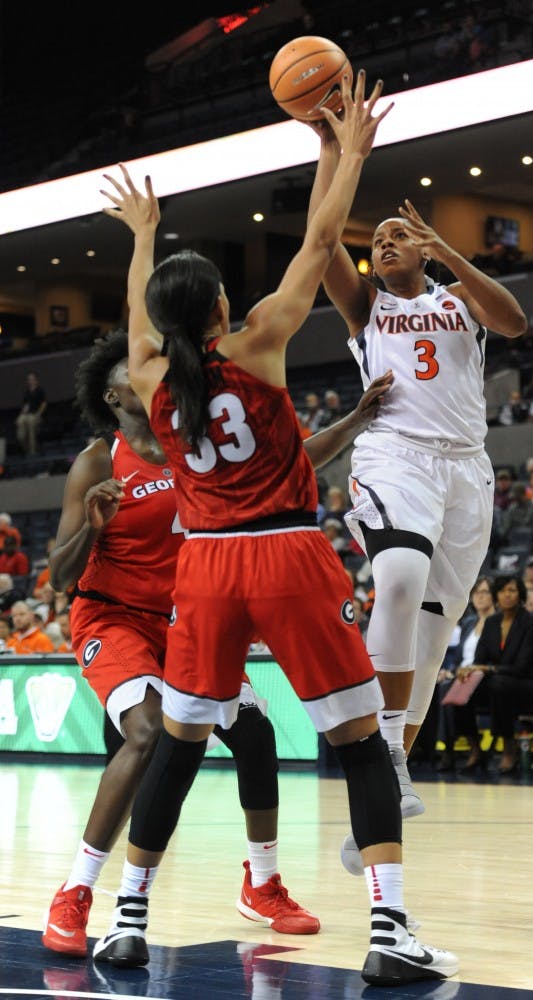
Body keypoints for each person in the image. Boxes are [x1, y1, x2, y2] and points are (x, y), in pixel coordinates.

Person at [94, 82, 458, 985]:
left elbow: (140, 312)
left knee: (178, 746)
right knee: (359, 738)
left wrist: (140, 237)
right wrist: (348, 152)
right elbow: (322, 243)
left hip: (206, 568)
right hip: (287, 552)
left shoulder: (146, 375)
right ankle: (389, 930)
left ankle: (128, 917)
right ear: (220, 311)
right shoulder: (259, 344)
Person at [42, 322, 396, 958]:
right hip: (114, 618)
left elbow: (290, 463)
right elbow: (62, 577)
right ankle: (75, 891)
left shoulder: (191, 440)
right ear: (115, 394)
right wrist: (92, 528)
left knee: (256, 732)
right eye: (135, 368)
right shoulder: (98, 462)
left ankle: (262, 885)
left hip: (186, 620)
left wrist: (355, 421)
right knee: (147, 733)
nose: (150, 371)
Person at [306, 110, 527, 832]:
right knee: (396, 582)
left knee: (434, 628)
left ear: (426, 249)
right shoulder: (364, 306)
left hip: (468, 470)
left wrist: (452, 258)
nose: (385, 242)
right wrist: (333, 153)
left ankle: (383, 793)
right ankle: (386, 758)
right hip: (393, 453)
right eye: (378, 240)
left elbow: (517, 323)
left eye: (398, 233)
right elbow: (321, 239)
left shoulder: (457, 300)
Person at [459, 575, 533, 773]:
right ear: (496, 595)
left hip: (529, 682)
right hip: (498, 681)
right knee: (461, 686)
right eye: (502, 590)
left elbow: (523, 666)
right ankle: (475, 749)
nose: (507, 595)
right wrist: (469, 671)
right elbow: (480, 659)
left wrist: (489, 669)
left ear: (521, 594)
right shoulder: (491, 622)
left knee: (499, 685)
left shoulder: (532, 622)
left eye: (512, 590)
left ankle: (509, 748)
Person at [438, 575, 495, 771]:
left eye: (485, 592)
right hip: (463, 675)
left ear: (494, 595)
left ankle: (459, 750)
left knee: (452, 690)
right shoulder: (469, 622)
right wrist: (449, 671)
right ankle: (447, 749)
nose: (480, 597)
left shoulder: (498, 622)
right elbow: (460, 657)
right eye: (477, 592)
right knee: (440, 685)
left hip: (484, 676)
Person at [15, 371, 47, 455]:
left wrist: (38, 414)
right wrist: (21, 415)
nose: (30, 381)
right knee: (20, 434)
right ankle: (27, 449)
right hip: (26, 414)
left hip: (34, 415)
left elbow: (44, 404)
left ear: (36, 380)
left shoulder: (40, 390)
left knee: (30, 425)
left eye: (32, 379)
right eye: (29, 379)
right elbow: (25, 405)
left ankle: (33, 451)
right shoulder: (26, 392)